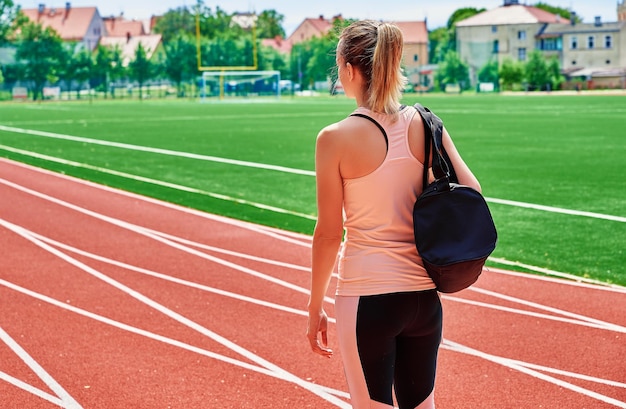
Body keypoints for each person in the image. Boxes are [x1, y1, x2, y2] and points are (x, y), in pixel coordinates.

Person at [307, 20, 481, 409]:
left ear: (350, 69)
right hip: (424, 300)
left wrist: (314, 303)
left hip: (368, 297)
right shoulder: (426, 122)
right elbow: (472, 192)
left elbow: (330, 234)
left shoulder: (334, 138)